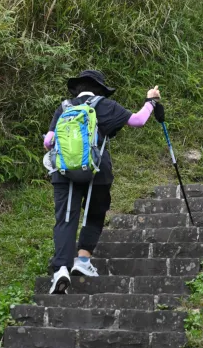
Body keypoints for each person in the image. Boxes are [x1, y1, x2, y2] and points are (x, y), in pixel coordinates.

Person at [44, 70, 160, 294]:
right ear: (100, 89)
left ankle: (61, 270)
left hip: (64, 171)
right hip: (97, 171)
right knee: (93, 214)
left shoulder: (64, 107)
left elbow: (49, 142)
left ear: (78, 88)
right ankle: (83, 262)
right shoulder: (105, 105)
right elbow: (138, 120)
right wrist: (151, 101)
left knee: (66, 218)